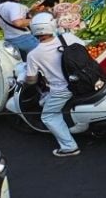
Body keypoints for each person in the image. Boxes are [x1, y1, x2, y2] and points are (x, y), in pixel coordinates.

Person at [24, 13, 79, 157]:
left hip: (63, 90)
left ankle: (69, 147)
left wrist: (26, 80)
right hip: (83, 80)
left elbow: (31, 80)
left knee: (48, 116)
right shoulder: (67, 37)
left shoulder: (33, 55)